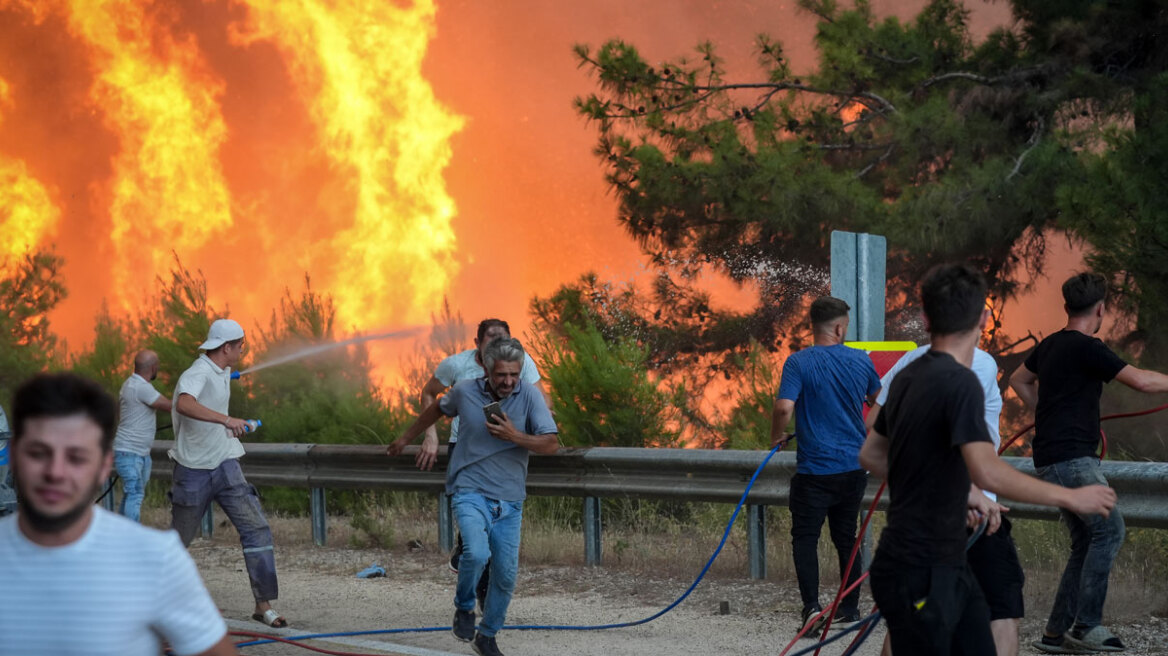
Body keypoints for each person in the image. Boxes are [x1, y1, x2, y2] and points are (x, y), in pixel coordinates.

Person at [860, 263, 1116, 656]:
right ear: (983, 317)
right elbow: (986, 468)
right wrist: (1071, 498)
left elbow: (871, 453)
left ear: (926, 318)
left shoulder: (909, 374)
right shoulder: (961, 379)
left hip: (917, 560)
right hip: (925, 566)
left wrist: (955, 488)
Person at [0, 372, 235, 656]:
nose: (55, 472)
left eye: (76, 457)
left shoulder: (157, 558)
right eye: (39, 453)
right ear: (12, 454)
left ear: (104, 465)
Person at [1010, 272, 1168, 653]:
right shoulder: (1088, 347)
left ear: (1067, 307)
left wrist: (1046, 413)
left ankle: (1054, 633)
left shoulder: (1050, 346)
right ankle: (1086, 625)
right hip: (1071, 459)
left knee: (1086, 541)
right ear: (1101, 308)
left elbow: (1018, 380)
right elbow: (1143, 382)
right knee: (1109, 531)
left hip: (1053, 457)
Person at [388, 337, 558, 656]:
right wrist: (406, 438)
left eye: (514, 374)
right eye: (500, 375)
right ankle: (464, 607)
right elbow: (437, 409)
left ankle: (488, 635)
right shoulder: (465, 391)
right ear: (486, 370)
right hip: (469, 489)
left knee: (506, 576)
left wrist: (514, 436)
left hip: (510, 499)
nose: (508, 381)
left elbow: (551, 444)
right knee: (476, 554)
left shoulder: (530, 397)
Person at [867, 344, 1024, 656]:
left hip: (919, 514)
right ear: (980, 315)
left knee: (911, 615)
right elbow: (949, 431)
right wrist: (966, 490)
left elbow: (872, 427)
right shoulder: (977, 362)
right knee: (1002, 612)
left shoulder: (910, 362)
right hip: (973, 515)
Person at [770, 296, 880, 635]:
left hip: (815, 472)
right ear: (838, 327)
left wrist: (777, 436)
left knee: (805, 537)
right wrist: (863, 431)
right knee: (846, 538)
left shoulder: (798, 362)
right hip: (852, 469)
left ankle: (812, 609)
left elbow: (784, 408)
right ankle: (849, 607)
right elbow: (879, 405)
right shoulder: (862, 361)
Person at [170, 319, 286, 628]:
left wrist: (235, 422)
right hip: (193, 469)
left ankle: (263, 605)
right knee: (177, 541)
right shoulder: (196, 373)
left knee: (257, 528)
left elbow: (218, 389)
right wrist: (226, 419)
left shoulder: (220, 371)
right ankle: (152, 603)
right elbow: (184, 403)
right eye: (241, 345)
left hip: (226, 463)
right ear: (226, 347)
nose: (243, 349)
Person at [418, 319, 545, 594]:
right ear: (477, 344)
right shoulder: (456, 365)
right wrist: (431, 434)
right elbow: (429, 395)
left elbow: (543, 403)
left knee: (495, 528)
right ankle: (467, 549)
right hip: (465, 446)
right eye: (491, 340)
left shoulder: (522, 363)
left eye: (504, 340)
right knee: (475, 518)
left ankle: (483, 590)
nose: (498, 346)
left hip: (505, 449)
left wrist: (530, 432)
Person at [113, 350, 173, 521]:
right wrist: (190, 401)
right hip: (130, 453)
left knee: (132, 494)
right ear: (153, 368)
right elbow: (169, 406)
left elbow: (119, 411)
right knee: (135, 493)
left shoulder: (129, 384)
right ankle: (131, 540)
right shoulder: (142, 387)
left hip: (137, 453)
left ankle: (122, 535)